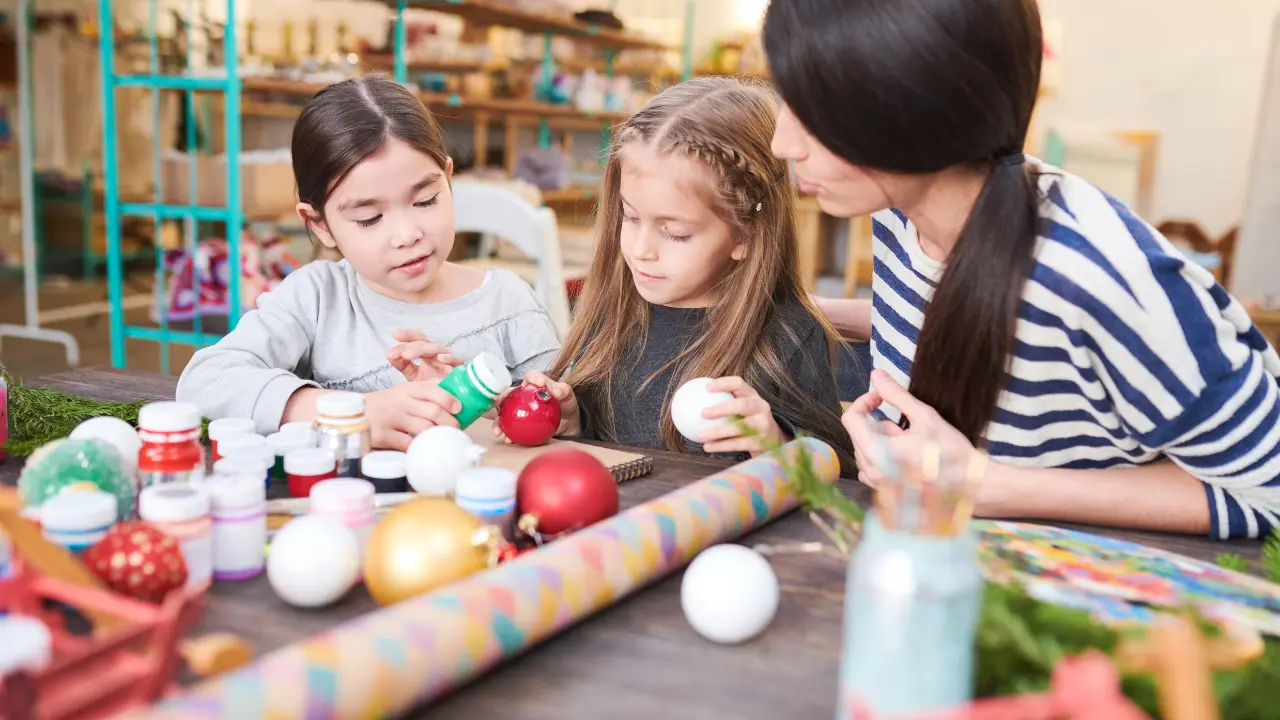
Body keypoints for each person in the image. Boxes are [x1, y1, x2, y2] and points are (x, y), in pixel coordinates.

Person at [765, 0, 1280, 539]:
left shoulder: (1096, 276)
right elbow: (970, 314)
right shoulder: (900, 209)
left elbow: (1268, 486)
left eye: (812, 110)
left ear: (916, 112)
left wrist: (982, 484)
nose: (783, 143)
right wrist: (814, 314)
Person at [177, 77, 561, 450]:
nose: (406, 234)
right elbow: (204, 381)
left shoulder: (509, 304)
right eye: (369, 219)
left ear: (447, 179)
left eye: (425, 200)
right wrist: (350, 413)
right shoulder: (315, 298)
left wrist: (539, 409)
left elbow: (576, 415)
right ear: (321, 225)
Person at [500, 77, 855, 472]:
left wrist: (776, 443)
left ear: (746, 235)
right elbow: (605, 434)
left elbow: (839, 475)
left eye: (675, 233)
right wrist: (574, 420)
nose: (640, 250)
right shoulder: (616, 308)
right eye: (630, 217)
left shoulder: (788, 335)